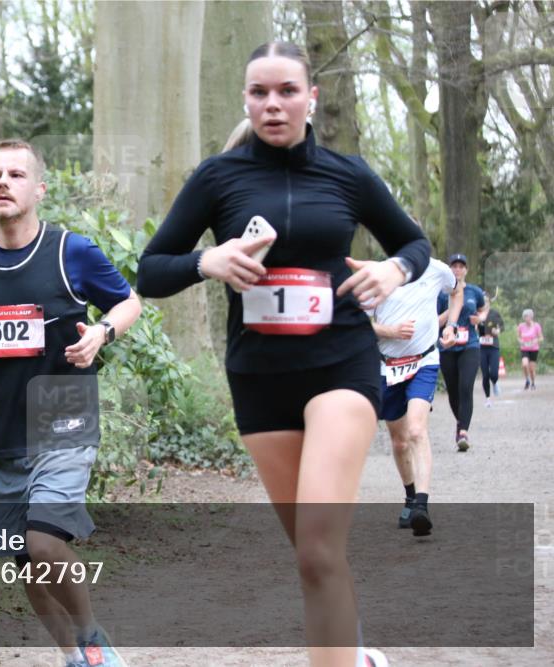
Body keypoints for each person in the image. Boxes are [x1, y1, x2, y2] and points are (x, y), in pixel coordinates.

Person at [136, 41, 427, 667]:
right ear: (246, 98)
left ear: (310, 98)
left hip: (340, 365)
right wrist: (205, 260)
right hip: (259, 378)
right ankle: (351, 653)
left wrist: (395, 269)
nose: (273, 104)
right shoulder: (217, 178)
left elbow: (413, 241)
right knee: (311, 556)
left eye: (287, 91)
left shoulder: (347, 174)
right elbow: (150, 271)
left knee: (320, 551)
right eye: (260, 93)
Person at [0, 139, 141, 667]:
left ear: (38, 189)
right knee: (23, 562)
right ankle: (71, 655)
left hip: (61, 409)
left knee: (44, 543)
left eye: (16, 174)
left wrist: (103, 333)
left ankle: (93, 639)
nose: (3, 182)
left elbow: (128, 301)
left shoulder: (71, 250)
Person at [372, 251, 462, 536]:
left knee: (416, 430)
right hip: (388, 367)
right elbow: (360, 322)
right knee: (399, 442)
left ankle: (422, 506)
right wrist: (390, 330)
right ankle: (410, 496)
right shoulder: (376, 275)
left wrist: (452, 324)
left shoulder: (435, 269)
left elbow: (457, 291)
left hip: (424, 361)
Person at [436, 254, 488, 451]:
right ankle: (461, 422)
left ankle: (463, 430)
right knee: (453, 389)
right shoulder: (441, 294)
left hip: (470, 345)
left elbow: (483, 310)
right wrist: (453, 309)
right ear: (449, 270)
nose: (457, 270)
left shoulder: (474, 291)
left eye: (461, 266)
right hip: (448, 346)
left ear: (466, 270)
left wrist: (480, 318)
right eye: (454, 266)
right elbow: (436, 322)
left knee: (466, 386)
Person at [478, 303, 505, 405]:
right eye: (482, 301)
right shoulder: (476, 313)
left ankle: (494, 381)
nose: (484, 303)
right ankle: (488, 399)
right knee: (485, 375)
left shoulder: (494, 313)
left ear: (489, 302)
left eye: (485, 301)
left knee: (494, 373)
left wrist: (497, 330)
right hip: (481, 348)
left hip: (493, 346)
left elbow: (502, 326)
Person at [517, 308, 543, 390]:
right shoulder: (521, 326)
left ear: (531, 317)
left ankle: (533, 382)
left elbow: (541, 337)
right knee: (524, 364)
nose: (526, 318)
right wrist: (521, 341)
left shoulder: (536, 326)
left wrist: (536, 341)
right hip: (524, 348)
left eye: (527, 316)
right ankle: (527, 380)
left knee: (532, 369)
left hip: (534, 349)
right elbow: (518, 337)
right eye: (524, 317)